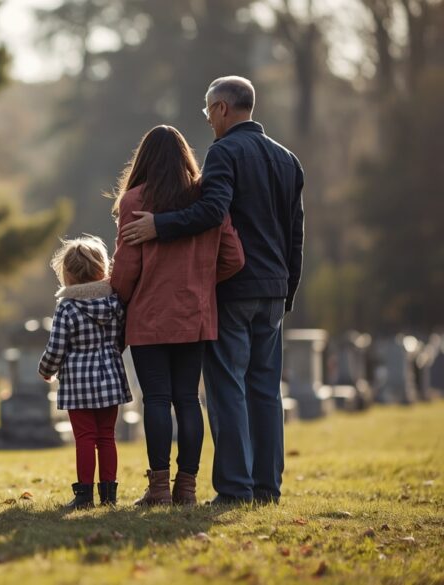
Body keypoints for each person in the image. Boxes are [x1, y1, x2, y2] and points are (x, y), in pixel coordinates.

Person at [120, 76, 304, 505]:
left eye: (208, 110)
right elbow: (296, 234)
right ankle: (267, 488)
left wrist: (158, 226)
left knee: (227, 390)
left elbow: (211, 211)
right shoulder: (288, 159)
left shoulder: (225, 151)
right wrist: (288, 290)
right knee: (265, 390)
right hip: (274, 291)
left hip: (234, 288)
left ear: (222, 108)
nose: (206, 119)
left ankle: (236, 489)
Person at [109, 125, 245, 506]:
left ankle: (158, 490)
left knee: (155, 399)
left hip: (149, 315)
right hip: (195, 315)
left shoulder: (136, 199)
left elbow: (126, 267)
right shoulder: (208, 197)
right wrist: (201, 280)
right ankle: (187, 488)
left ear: (144, 160)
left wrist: (116, 296)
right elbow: (234, 258)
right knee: (188, 399)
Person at [38, 236, 133, 510]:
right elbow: (121, 337)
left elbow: (56, 347)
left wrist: (47, 370)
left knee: (84, 438)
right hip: (110, 378)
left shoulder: (67, 307)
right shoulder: (115, 303)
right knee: (106, 436)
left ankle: (84, 495)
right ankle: (109, 495)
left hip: (78, 382)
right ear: (103, 269)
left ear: (66, 275)